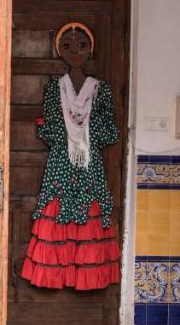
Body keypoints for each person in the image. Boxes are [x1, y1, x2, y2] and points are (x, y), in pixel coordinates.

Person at [19, 22, 120, 290]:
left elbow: (110, 133)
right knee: (58, 212)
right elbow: (50, 131)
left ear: (91, 49)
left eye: (81, 45)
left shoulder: (101, 90)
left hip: (89, 164)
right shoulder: (55, 89)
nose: (75, 51)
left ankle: (83, 276)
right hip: (62, 163)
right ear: (59, 51)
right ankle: (59, 276)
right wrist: (72, 130)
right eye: (67, 46)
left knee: (90, 213)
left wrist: (83, 130)